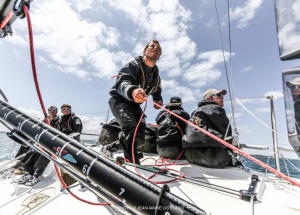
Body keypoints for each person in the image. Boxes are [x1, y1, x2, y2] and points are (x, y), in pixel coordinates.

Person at [108, 40, 163, 164]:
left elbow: (157, 90)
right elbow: (122, 81)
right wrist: (133, 90)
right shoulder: (133, 65)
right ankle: (131, 161)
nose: (155, 48)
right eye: (152, 46)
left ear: (159, 56)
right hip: (119, 99)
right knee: (130, 125)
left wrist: (158, 100)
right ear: (145, 51)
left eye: (158, 48)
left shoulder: (156, 76)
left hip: (134, 105)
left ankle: (111, 148)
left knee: (141, 133)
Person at [182, 89, 235, 168]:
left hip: (190, 156)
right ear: (210, 98)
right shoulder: (214, 108)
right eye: (218, 95)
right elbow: (227, 135)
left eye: (222, 95)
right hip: (214, 159)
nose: (222, 97)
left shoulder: (195, 112)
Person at [16, 106, 60, 185]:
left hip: (52, 143)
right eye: (50, 110)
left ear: (56, 112)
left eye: (54, 110)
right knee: (33, 148)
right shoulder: (44, 120)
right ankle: (28, 171)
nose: (52, 111)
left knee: (46, 153)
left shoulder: (59, 121)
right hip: (42, 141)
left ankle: (37, 174)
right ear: (48, 111)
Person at [57, 104, 83, 186]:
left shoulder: (75, 119)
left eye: (68, 109)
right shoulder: (60, 120)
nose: (66, 110)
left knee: (75, 162)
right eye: (64, 109)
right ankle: (66, 181)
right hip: (61, 144)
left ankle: (82, 179)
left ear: (70, 110)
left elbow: (77, 132)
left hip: (73, 144)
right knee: (62, 162)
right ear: (61, 111)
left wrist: (66, 138)